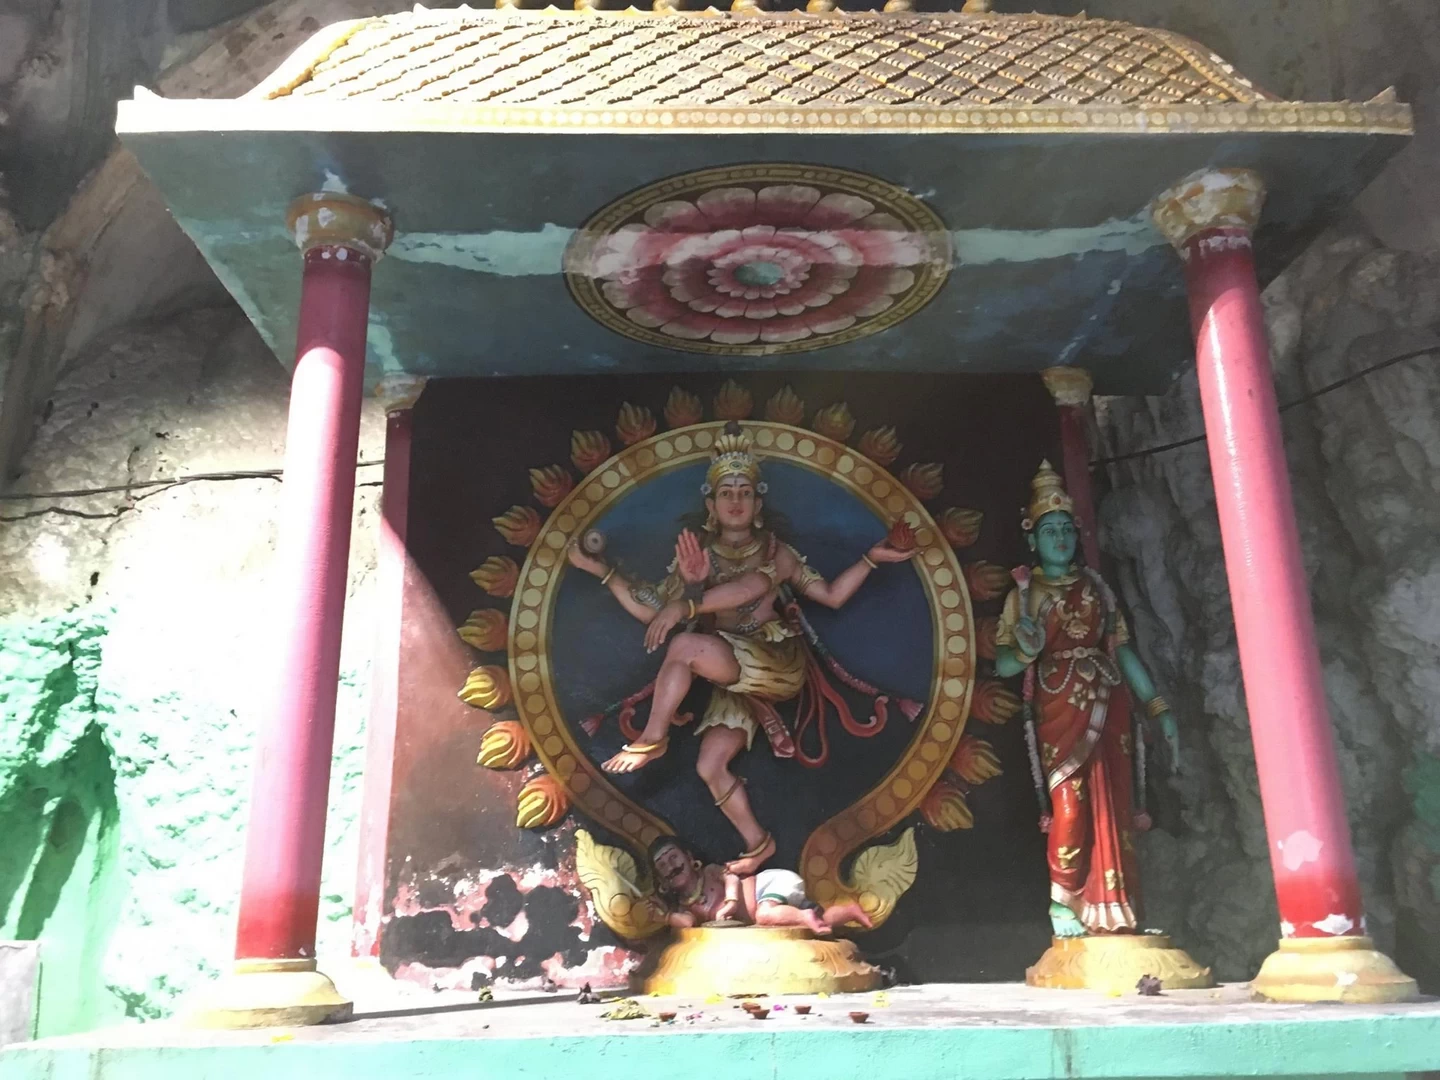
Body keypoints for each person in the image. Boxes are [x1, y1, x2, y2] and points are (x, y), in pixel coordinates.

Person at [566, 422, 913, 874]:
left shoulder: (774, 552)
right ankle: (758, 843)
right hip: (730, 671)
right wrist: (604, 572)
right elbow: (654, 610)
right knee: (710, 764)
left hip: (773, 662)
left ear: (758, 504)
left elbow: (801, 593)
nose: (735, 501)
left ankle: (652, 737)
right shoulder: (699, 555)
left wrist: (871, 559)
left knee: (685, 644)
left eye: (744, 493)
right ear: (710, 505)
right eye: (726, 493)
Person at [993, 461, 1181, 938]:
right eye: (1048, 531)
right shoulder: (1024, 595)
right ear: (1032, 539)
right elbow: (1004, 666)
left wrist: (1156, 705)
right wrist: (1026, 649)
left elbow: (1122, 650)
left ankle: (1115, 907)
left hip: (1108, 702)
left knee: (1114, 806)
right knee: (1070, 806)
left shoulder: (1097, 587)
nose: (1059, 538)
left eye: (1065, 529)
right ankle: (1063, 902)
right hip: (1060, 706)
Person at [648, 835, 872, 934]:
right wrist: (663, 916)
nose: (671, 866)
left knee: (765, 915)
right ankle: (848, 912)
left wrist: (731, 902)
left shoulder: (709, 873)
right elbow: (687, 923)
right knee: (817, 924)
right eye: (662, 865)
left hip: (769, 886)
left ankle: (805, 916)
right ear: (661, 879)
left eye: (673, 857)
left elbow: (731, 877)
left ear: (689, 858)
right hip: (774, 906)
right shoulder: (685, 906)